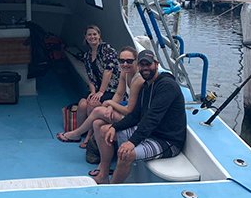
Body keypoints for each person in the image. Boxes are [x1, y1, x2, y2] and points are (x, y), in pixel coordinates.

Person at [90, 49, 187, 184]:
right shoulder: (147, 85)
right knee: (104, 130)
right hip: (150, 134)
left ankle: (112, 189)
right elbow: (136, 116)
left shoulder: (167, 86)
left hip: (167, 141)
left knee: (126, 154)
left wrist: (132, 142)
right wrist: (114, 126)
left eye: (148, 64)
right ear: (138, 66)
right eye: (142, 65)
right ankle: (103, 175)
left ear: (156, 64)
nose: (145, 68)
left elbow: (152, 119)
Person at [56, 46, 143, 145]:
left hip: (136, 118)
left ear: (136, 61)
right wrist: (110, 107)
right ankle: (95, 148)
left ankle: (76, 134)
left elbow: (129, 111)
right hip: (128, 111)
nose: (125, 64)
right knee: (97, 122)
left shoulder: (138, 79)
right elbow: (119, 94)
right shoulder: (125, 72)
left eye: (129, 61)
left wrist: (110, 103)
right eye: (121, 61)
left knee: (98, 110)